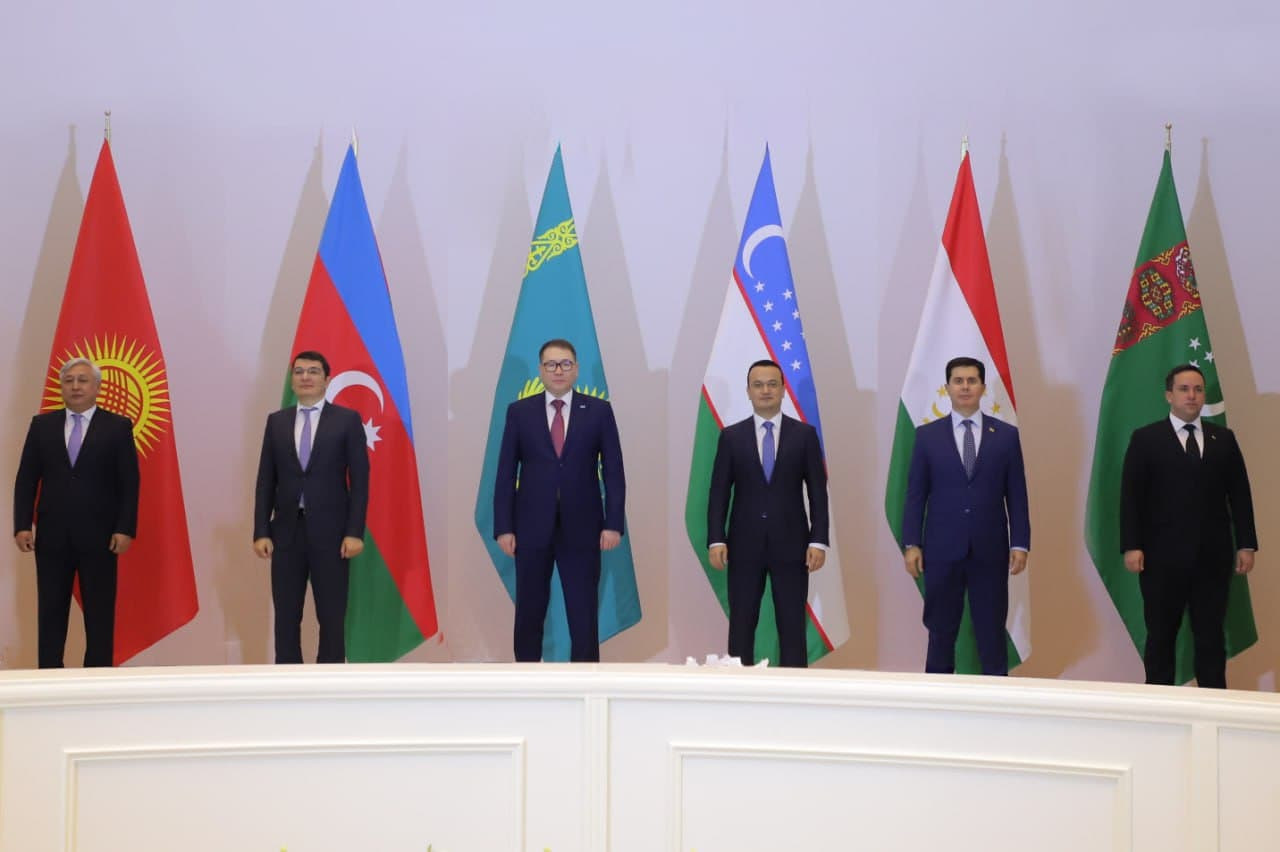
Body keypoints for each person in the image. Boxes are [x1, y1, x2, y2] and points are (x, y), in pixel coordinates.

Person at [1120, 363, 1257, 688]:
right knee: (1161, 635)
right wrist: (1131, 545)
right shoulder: (1146, 439)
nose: (1191, 395)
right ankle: (1159, 703)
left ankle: (1213, 702)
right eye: (1184, 389)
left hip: (1212, 557)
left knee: (1210, 637)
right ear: (1169, 395)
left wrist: (1247, 543)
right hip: (1160, 559)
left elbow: (1240, 494)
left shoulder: (1223, 439)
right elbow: (1131, 497)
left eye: (1197, 389)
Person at [493, 338, 625, 662]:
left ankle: (585, 681)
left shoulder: (598, 411)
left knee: (583, 614)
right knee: (529, 612)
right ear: (540, 370)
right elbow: (506, 473)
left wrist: (613, 524)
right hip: (530, 529)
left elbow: (614, 472)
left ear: (576, 369)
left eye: (565, 364)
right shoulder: (519, 412)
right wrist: (504, 527)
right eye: (551, 364)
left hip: (583, 529)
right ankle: (526, 678)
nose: (558, 370)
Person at [901, 356, 1030, 675]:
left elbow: (1017, 494)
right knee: (940, 631)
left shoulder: (1005, 435)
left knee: (991, 631)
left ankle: (996, 698)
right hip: (942, 550)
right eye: (958, 381)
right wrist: (911, 543)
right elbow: (916, 495)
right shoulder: (927, 436)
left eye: (972, 381)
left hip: (990, 549)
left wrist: (1020, 543)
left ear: (983, 388)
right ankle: (937, 696)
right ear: (947, 388)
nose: (965, 387)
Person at [13, 357, 140, 668]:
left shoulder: (117, 427)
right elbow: (26, 478)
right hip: (52, 536)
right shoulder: (42, 426)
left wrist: (125, 528)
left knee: (99, 614)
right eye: (69, 380)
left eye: (83, 380)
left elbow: (129, 482)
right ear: (62, 387)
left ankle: (97, 679)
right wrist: (22, 524)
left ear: (97, 387)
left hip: (101, 536)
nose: (75, 386)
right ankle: (49, 677)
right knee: (51, 612)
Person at [706, 359, 828, 667]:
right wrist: (716, 538)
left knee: (792, 626)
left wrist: (818, 540)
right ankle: (738, 689)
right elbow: (719, 492)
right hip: (743, 546)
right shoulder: (731, 437)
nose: (765, 391)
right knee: (741, 624)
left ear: (783, 390)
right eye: (758, 385)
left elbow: (817, 492)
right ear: (748, 391)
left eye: (772, 384)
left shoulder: (804, 435)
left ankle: (794, 689)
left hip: (793, 546)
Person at [253, 350, 369, 664]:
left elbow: (360, 482)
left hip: (333, 535)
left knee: (331, 616)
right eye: (299, 371)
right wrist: (261, 530)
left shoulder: (346, 421)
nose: (306, 377)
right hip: (286, 533)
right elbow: (266, 480)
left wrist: (354, 532)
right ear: (292, 380)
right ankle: (288, 680)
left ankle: (329, 681)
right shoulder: (277, 422)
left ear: (326, 379)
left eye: (313, 371)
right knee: (286, 617)